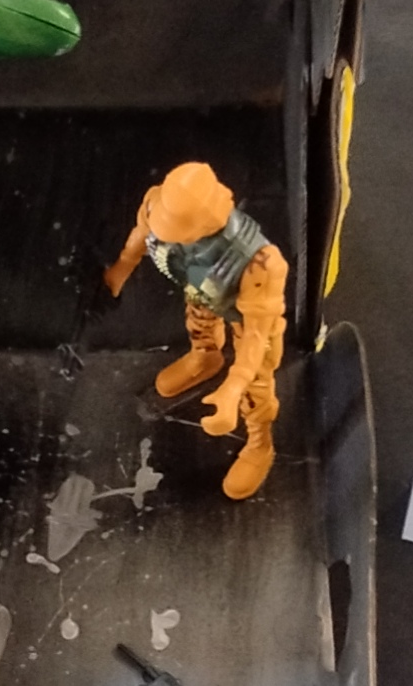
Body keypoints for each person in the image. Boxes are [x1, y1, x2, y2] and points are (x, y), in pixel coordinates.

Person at [101, 161, 287, 500]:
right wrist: (117, 273)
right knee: (199, 324)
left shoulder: (261, 264)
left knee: (257, 385)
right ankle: (205, 358)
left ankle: (260, 443)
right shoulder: (156, 203)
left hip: (250, 319)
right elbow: (140, 238)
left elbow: (257, 336)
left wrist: (233, 387)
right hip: (202, 291)